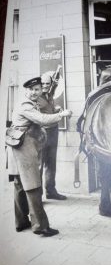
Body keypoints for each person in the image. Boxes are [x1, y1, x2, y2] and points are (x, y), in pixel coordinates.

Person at [7, 77, 72, 236]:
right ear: (26, 90)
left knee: (20, 185)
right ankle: (40, 227)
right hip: (23, 146)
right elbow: (42, 119)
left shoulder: (27, 102)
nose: (35, 92)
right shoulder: (25, 105)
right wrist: (62, 114)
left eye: (38, 89)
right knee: (34, 186)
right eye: (32, 90)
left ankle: (21, 222)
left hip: (16, 145)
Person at [38, 68, 66, 200]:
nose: (44, 86)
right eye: (42, 84)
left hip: (53, 132)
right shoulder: (36, 98)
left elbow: (48, 111)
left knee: (51, 163)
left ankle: (50, 191)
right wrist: (60, 115)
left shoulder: (50, 95)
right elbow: (40, 117)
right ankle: (37, 196)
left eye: (47, 84)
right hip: (42, 133)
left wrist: (55, 109)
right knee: (39, 165)